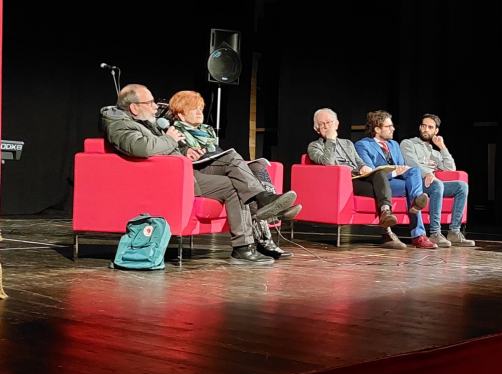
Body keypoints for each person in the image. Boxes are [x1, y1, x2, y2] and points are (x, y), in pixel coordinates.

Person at [100, 84, 297, 265]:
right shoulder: (118, 124)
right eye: (150, 102)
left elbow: (161, 148)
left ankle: (258, 214)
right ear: (134, 108)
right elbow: (140, 147)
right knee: (233, 178)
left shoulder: (143, 121)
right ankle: (256, 219)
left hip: (184, 171)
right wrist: (171, 140)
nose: (156, 106)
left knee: (233, 159)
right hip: (173, 179)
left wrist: (184, 152)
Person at [167, 90, 299, 259]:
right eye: (194, 109)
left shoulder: (207, 131)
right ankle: (267, 204)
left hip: (213, 166)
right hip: (195, 172)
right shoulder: (174, 131)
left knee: (257, 168)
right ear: (181, 114)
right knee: (232, 157)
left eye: (200, 108)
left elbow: (217, 154)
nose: (200, 112)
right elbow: (173, 153)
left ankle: (264, 234)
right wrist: (187, 151)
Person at [306, 108, 406, 249]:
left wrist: (364, 167)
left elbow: (359, 162)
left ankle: (386, 212)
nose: (326, 126)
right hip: (343, 182)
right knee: (381, 190)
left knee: (380, 174)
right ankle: (387, 232)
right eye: (322, 124)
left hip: (359, 178)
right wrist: (330, 139)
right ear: (316, 129)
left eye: (329, 122)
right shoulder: (314, 146)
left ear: (337, 124)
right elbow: (328, 163)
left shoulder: (347, 143)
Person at [354, 110, 437, 249]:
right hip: (381, 185)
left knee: (414, 171)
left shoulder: (394, 145)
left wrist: (405, 171)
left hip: (397, 182)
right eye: (388, 126)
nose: (393, 129)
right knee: (411, 188)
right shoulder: (363, 145)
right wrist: (392, 173)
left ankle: (417, 203)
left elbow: (402, 168)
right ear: (377, 129)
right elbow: (371, 173)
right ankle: (418, 234)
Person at [400, 114, 474, 247]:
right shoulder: (408, 143)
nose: (426, 129)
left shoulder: (434, 152)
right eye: (423, 126)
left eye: (430, 127)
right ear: (419, 127)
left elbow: (451, 169)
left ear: (436, 131)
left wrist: (442, 147)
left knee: (461, 186)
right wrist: (428, 173)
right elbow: (411, 164)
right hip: (417, 183)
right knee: (437, 184)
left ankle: (454, 232)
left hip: (433, 184)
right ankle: (435, 233)